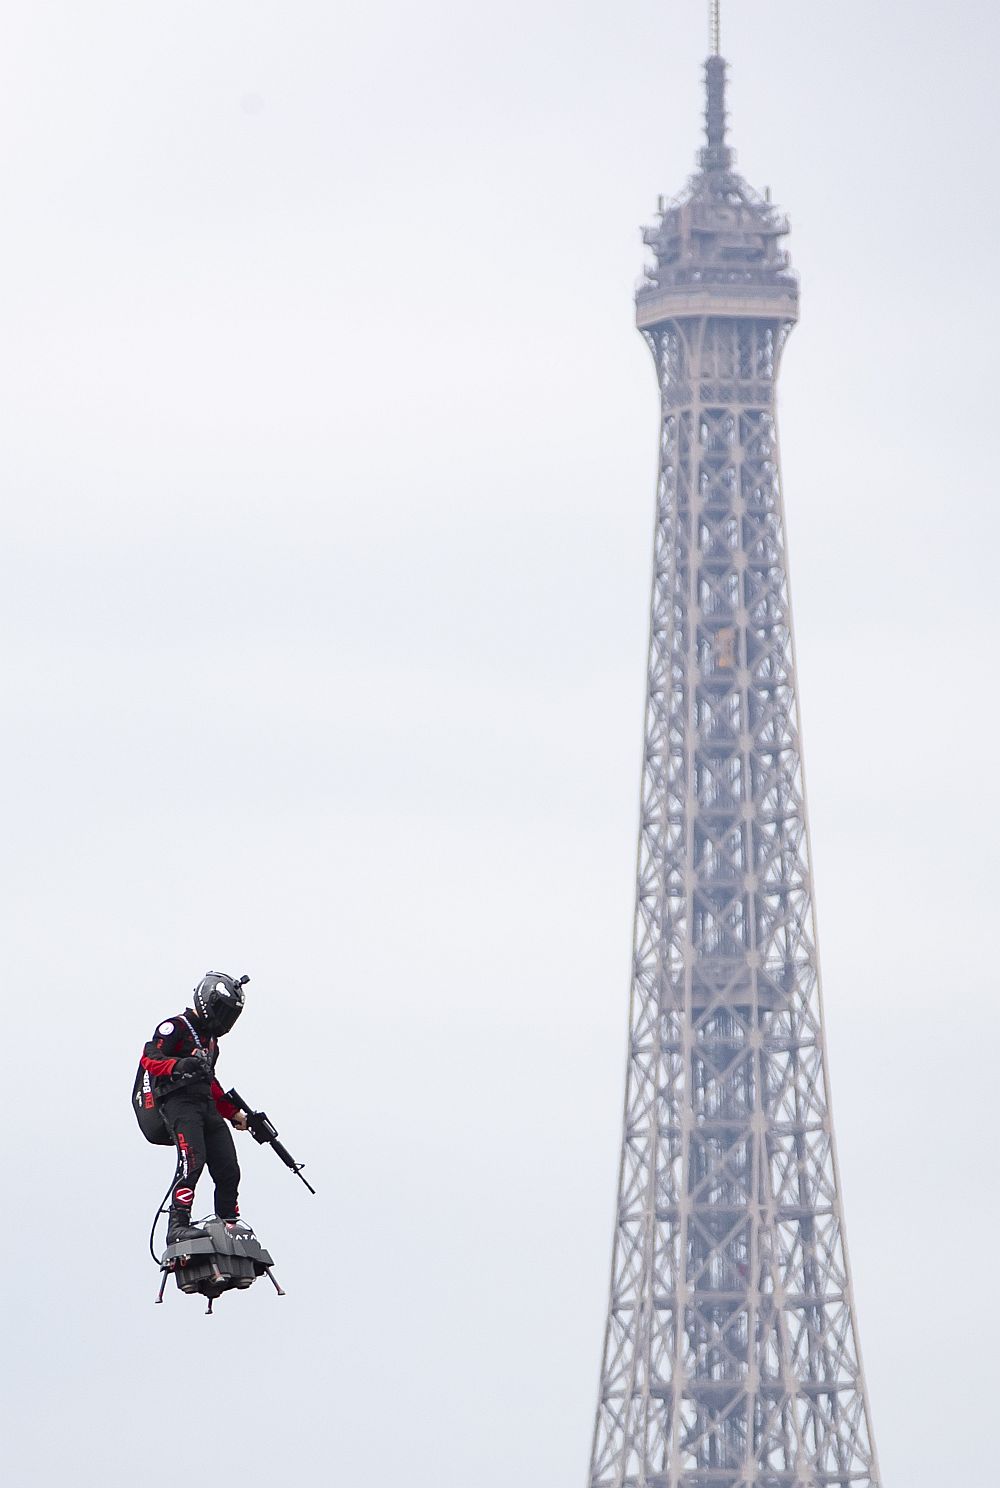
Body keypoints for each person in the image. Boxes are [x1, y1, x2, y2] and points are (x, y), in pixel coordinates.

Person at [140, 972, 250, 1244]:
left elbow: (211, 1082)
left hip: (206, 1105)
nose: (225, 1021)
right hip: (179, 1103)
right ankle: (177, 1225)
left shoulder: (212, 1043)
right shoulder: (175, 1026)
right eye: (223, 1013)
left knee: (229, 1168)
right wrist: (179, 1065)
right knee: (192, 1161)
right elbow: (149, 1059)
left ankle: (228, 1224)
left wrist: (234, 1113)